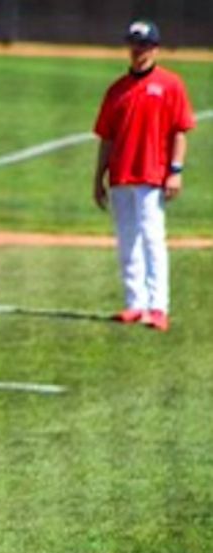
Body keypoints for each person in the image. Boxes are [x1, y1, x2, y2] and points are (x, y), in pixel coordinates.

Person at [92, 18, 196, 333]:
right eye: (134, 44)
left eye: (144, 44)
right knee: (127, 241)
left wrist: (175, 171)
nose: (138, 50)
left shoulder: (170, 84)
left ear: (155, 48)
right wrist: (99, 177)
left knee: (152, 239)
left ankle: (158, 307)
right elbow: (106, 138)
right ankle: (135, 304)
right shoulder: (117, 90)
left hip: (152, 174)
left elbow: (180, 130)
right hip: (122, 174)